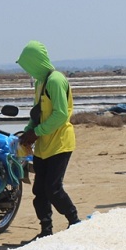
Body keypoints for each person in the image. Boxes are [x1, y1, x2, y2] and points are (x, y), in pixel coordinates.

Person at [16, 40, 80, 239]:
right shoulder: (40, 82)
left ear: (37, 61)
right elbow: (38, 113)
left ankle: (75, 221)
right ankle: (46, 230)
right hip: (44, 144)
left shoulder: (55, 80)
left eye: (29, 65)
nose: (29, 70)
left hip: (60, 143)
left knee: (53, 188)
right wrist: (28, 131)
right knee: (39, 191)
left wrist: (36, 132)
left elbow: (61, 114)